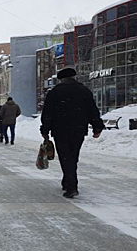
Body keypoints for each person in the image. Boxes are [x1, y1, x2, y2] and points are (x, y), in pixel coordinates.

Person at [40, 67, 104, 198]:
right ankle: (68, 180)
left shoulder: (55, 92)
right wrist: (97, 127)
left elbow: (47, 113)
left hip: (60, 130)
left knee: (65, 156)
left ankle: (71, 186)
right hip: (78, 129)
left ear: (60, 79)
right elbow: (92, 110)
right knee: (73, 156)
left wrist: (45, 130)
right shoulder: (84, 91)